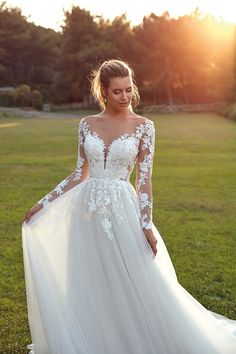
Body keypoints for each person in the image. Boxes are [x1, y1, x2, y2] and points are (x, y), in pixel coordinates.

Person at [22, 59, 236, 354]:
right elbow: (79, 173)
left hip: (123, 212)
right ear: (104, 92)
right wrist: (42, 203)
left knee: (133, 278)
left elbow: (144, 181)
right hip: (86, 212)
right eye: (118, 91)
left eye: (128, 89)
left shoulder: (144, 127)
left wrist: (146, 225)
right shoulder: (87, 124)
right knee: (89, 278)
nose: (125, 97)